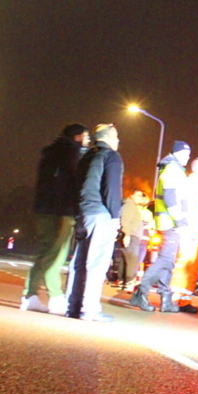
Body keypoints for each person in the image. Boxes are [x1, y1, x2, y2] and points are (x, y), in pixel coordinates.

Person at [21, 123, 89, 316]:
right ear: (77, 137)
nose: (87, 140)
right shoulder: (71, 154)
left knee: (46, 250)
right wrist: (77, 208)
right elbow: (74, 184)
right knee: (56, 253)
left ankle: (30, 295)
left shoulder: (51, 153)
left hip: (43, 207)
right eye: (85, 136)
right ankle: (54, 296)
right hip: (61, 210)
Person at [130, 141, 196, 314]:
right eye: (184, 154)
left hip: (171, 222)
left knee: (169, 262)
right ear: (175, 154)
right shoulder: (173, 170)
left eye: (188, 155)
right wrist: (180, 222)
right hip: (170, 223)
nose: (187, 158)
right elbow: (170, 197)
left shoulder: (176, 170)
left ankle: (166, 300)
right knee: (165, 260)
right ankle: (140, 292)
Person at [66, 123, 123, 322]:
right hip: (101, 214)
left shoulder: (86, 156)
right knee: (96, 263)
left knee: (79, 262)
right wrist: (116, 218)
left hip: (83, 213)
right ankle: (89, 308)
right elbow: (111, 189)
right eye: (115, 136)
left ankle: (72, 306)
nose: (118, 140)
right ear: (107, 137)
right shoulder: (111, 157)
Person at [170, 157, 198, 298]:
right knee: (184, 265)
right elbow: (188, 209)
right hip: (191, 231)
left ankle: (184, 299)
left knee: (193, 267)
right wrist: (186, 228)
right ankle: (174, 297)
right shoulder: (192, 184)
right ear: (195, 169)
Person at [120, 189, 153, 288]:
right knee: (132, 258)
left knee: (127, 258)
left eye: (141, 196)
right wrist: (127, 234)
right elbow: (125, 220)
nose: (140, 198)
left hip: (134, 235)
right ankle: (129, 281)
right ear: (132, 195)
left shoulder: (132, 206)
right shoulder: (129, 206)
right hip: (132, 235)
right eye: (138, 195)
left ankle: (122, 280)